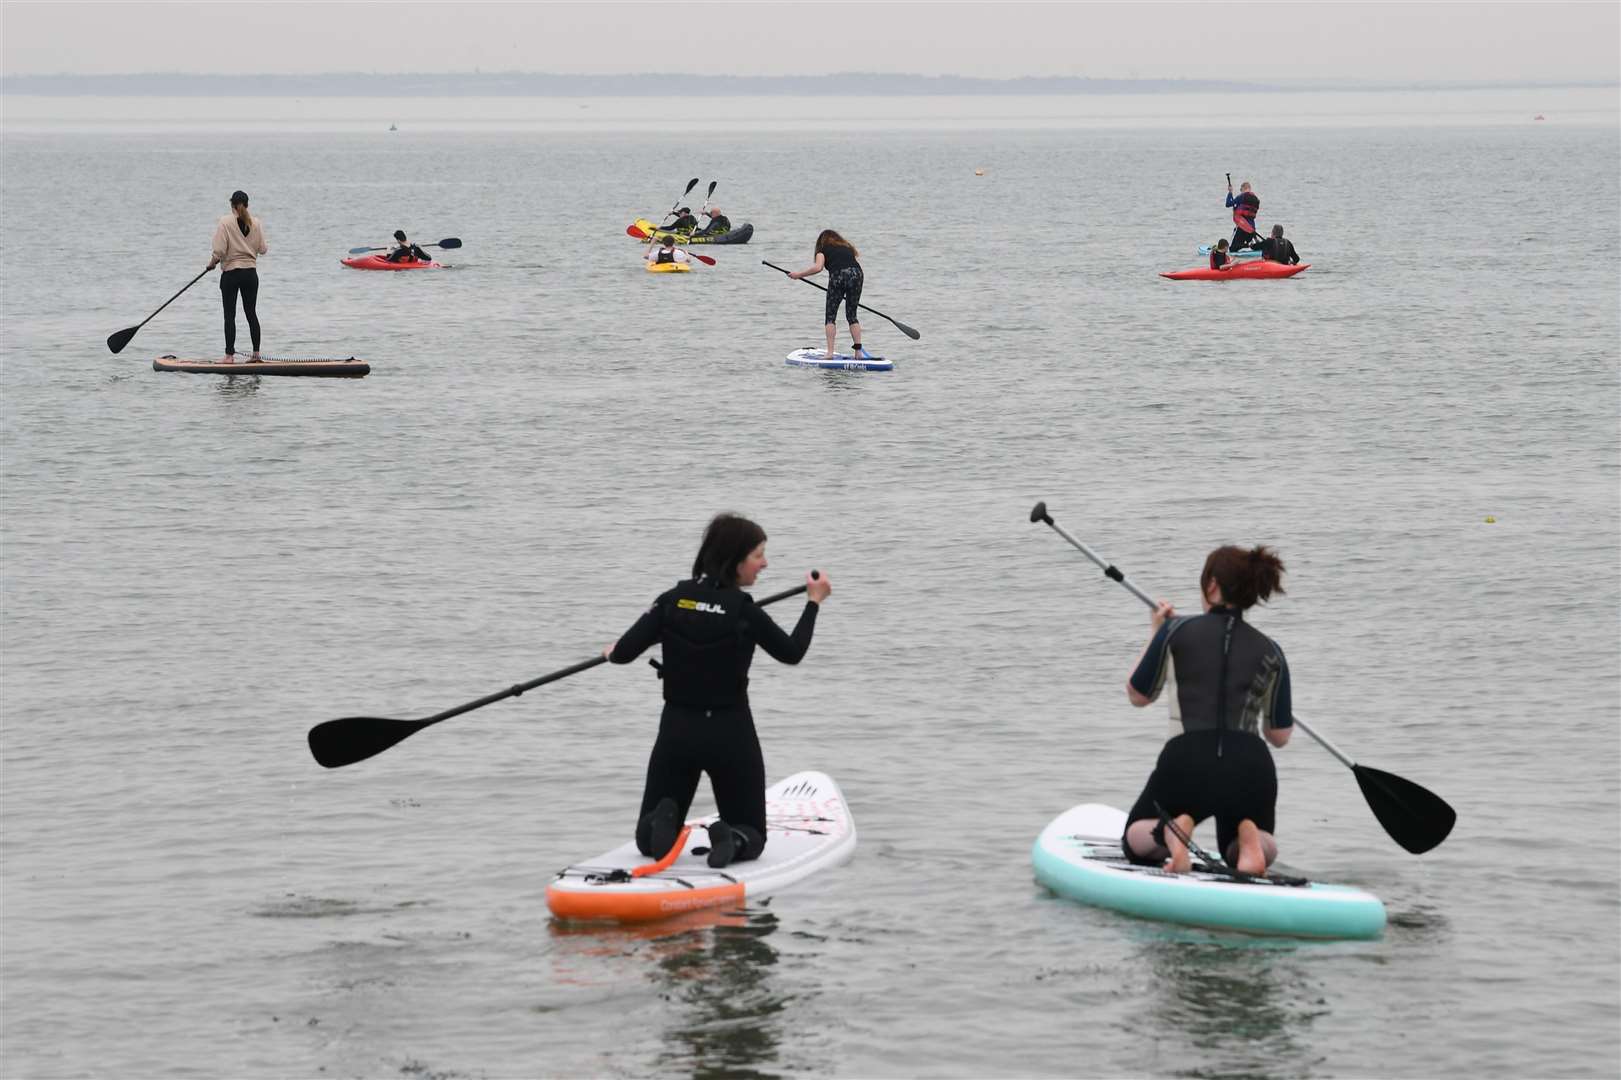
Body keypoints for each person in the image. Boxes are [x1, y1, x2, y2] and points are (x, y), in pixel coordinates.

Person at [605, 514, 831, 869]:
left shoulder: (671, 601)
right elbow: (792, 652)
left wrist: (612, 650)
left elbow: (622, 654)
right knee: (753, 835)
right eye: (758, 555)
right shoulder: (745, 611)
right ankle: (732, 836)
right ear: (736, 558)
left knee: (647, 843)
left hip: (678, 731)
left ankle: (663, 819)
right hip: (730, 732)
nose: (764, 563)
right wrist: (813, 602)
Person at [1120, 545, 1294, 877]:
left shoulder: (1175, 631)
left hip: (1188, 759)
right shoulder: (1272, 650)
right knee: (1239, 841)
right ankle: (1251, 842)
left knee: (1134, 839)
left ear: (1212, 585)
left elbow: (1138, 695)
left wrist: (1156, 633)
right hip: (1250, 765)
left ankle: (1170, 833)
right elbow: (1279, 736)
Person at [205, 190, 267, 363]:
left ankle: (229, 356)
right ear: (247, 205)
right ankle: (256, 355)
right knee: (251, 314)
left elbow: (219, 250)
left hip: (231, 274)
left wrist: (211, 263)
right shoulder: (257, 223)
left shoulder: (225, 222)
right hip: (250, 275)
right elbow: (263, 249)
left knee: (229, 315)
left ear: (232, 205)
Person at [788, 230, 867, 360]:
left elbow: (818, 267)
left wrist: (798, 275)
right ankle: (858, 353)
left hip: (838, 276)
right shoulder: (847, 247)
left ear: (821, 242)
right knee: (852, 315)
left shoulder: (823, 250)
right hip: (857, 274)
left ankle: (830, 353)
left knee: (830, 317)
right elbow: (849, 264)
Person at [1226, 179, 1261, 251]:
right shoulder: (1256, 199)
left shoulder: (1241, 197)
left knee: (1233, 249)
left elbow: (1228, 204)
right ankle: (1249, 246)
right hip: (1252, 229)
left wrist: (1230, 192)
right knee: (1245, 245)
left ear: (1243, 188)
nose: (1240, 192)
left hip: (1242, 227)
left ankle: (1243, 247)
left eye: (1241, 190)